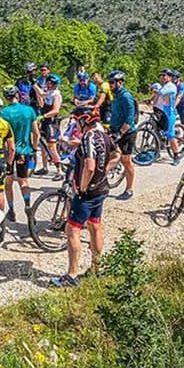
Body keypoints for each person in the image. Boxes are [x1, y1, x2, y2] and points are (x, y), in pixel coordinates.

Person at [50, 112, 114, 287]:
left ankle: (71, 275)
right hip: (102, 189)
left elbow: (90, 166)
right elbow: (117, 154)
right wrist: (105, 171)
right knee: (95, 226)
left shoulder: (87, 137)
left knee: (72, 230)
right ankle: (96, 268)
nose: (75, 125)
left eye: (77, 121)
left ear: (84, 121)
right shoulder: (104, 135)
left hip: (87, 193)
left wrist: (83, 186)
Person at [0, 86, 39, 223]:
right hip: (25, 150)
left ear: (6, 97)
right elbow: (36, 133)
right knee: (23, 181)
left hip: (9, 151)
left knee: (8, 181)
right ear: (17, 94)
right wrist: (34, 148)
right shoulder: (29, 110)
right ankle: (28, 205)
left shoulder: (3, 113)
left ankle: (11, 209)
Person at [107, 71, 138, 200]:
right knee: (109, 155)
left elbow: (129, 119)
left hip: (127, 133)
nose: (110, 85)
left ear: (120, 83)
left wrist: (120, 134)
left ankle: (129, 189)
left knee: (126, 161)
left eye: (112, 82)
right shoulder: (116, 95)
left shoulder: (126, 97)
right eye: (109, 82)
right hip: (114, 129)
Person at [153, 71, 183, 164]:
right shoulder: (162, 86)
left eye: (164, 75)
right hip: (161, 113)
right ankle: (157, 152)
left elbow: (161, 93)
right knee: (156, 132)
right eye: (160, 75)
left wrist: (154, 89)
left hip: (169, 114)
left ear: (170, 77)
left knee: (170, 135)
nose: (162, 77)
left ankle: (176, 155)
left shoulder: (171, 86)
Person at [37, 74, 63, 176]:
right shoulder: (49, 92)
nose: (47, 84)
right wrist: (34, 84)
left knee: (52, 147)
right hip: (45, 122)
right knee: (42, 145)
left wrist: (44, 116)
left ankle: (59, 170)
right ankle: (44, 167)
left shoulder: (56, 94)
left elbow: (55, 110)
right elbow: (41, 94)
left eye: (50, 83)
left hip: (52, 122)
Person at [171, 69, 184, 143]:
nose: (173, 79)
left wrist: (173, 106)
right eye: (172, 77)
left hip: (182, 105)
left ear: (178, 78)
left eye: (174, 77)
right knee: (171, 121)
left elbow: (179, 97)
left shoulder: (182, 85)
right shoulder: (170, 85)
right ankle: (176, 133)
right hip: (174, 105)